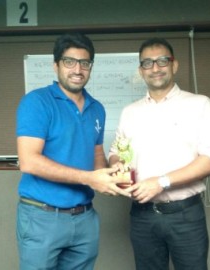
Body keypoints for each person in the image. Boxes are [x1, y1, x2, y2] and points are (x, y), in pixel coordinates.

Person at [109, 37, 210, 270]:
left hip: (184, 214)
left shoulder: (200, 104)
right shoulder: (130, 112)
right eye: (147, 63)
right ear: (140, 71)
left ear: (174, 65)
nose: (155, 68)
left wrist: (161, 182)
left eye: (163, 60)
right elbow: (116, 152)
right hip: (141, 216)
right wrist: (117, 165)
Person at [16, 33, 131, 270]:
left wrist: (110, 176)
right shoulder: (36, 102)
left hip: (85, 218)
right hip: (42, 216)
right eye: (69, 62)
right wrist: (90, 178)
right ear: (56, 65)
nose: (77, 69)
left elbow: (97, 155)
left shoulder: (96, 108)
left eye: (84, 63)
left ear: (90, 67)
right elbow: (28, 162)